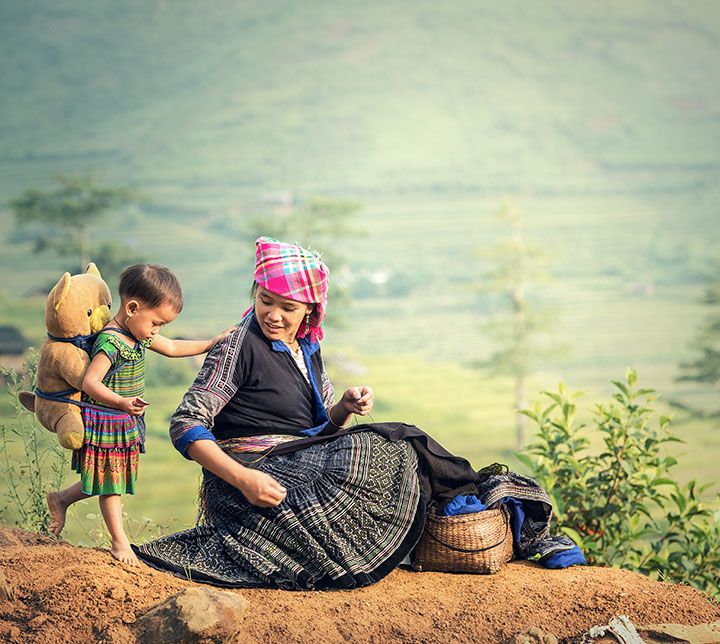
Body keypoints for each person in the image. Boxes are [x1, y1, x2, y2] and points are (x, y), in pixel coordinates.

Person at [135, 238, 580, 587]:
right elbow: (186, 422)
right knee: (387, 445)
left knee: (390, 449)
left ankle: (494, 514)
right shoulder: (238, 345)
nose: (272, 314)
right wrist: (243, 479)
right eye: (265, 300)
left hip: (299, 460)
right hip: (251, 474)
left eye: (286, 307)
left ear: (309, 310)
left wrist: (343, 409)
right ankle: (488, 507)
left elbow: (314, 430)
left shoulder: (307, 349)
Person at [47, 264, 234, 566]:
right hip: (107, 419)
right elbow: (91, 383)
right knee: (112, 484)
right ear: (133, 308)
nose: (157, 331)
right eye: (156, 323)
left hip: (124, 420)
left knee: (110, 477)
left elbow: (172, 347)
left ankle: (61, 498)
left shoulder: (138, 334)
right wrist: (120, 401)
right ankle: (120, 543)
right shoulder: (111, 342)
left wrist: (211, 343)